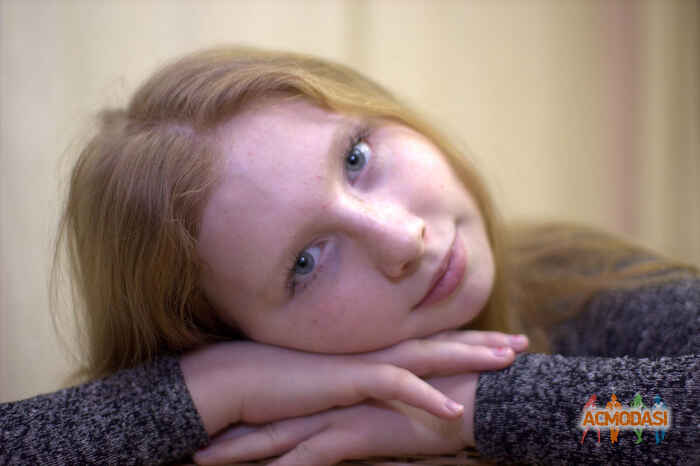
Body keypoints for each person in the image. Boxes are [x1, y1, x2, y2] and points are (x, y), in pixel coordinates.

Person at [1, 45, 698, 465]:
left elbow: (670, 414)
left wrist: (476, 407)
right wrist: (209, 391)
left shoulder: (576, 281)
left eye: (356, 158)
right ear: (228, 335)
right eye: (305, 263)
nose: (402, 240)